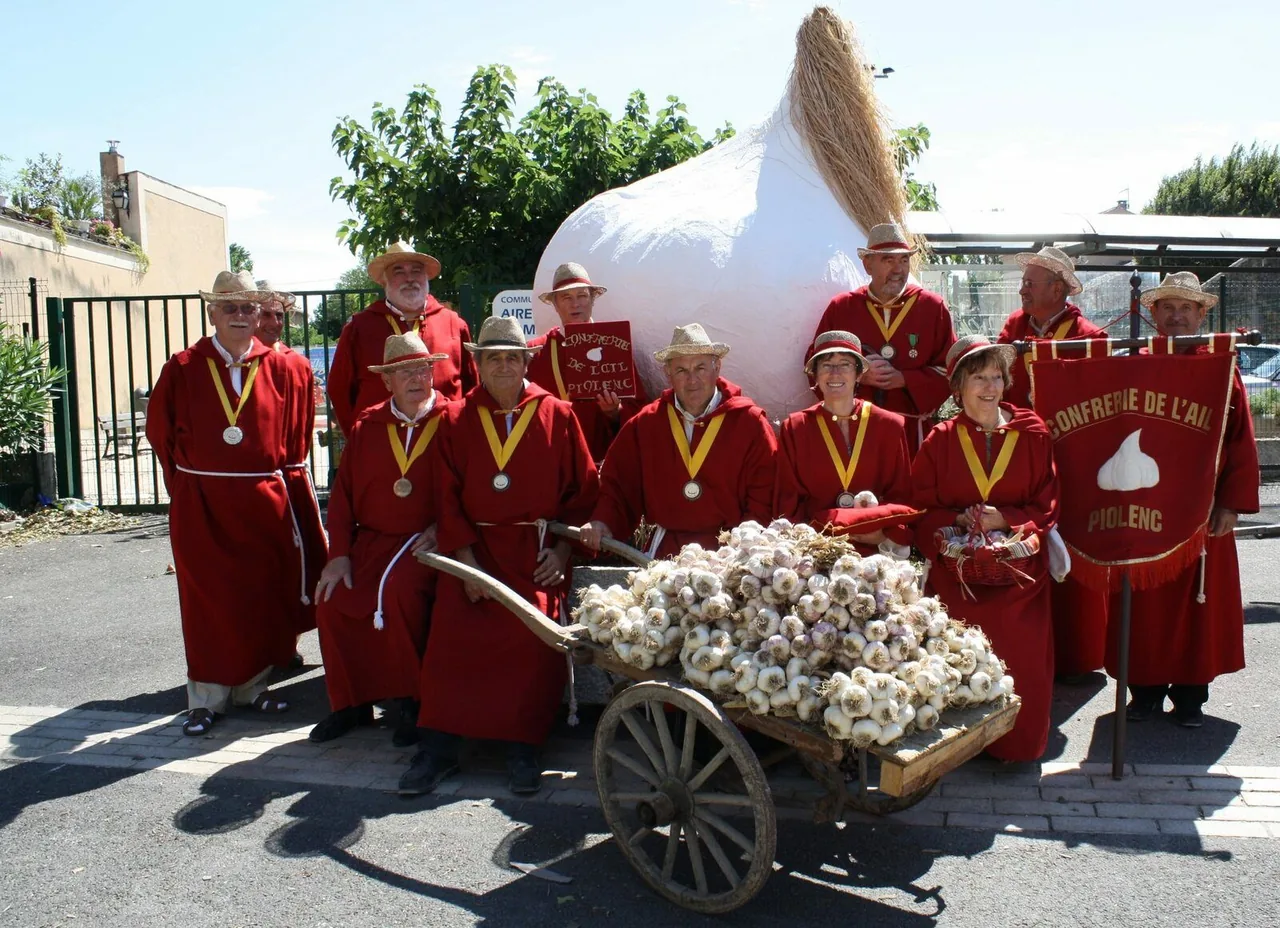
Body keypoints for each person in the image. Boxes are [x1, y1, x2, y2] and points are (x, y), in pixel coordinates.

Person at [400, 317, 599, 796]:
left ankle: (522, 749)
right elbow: (444, 498)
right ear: (478, 364)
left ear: (527, 361)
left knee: (532, 642)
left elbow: (584, 491)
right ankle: (438, 749)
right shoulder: (453, 418)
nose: (504, 365)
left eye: (512, 356)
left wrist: (559, 549)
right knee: (451, 642)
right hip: (474, 554)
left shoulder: (558, 414)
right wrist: (466, 564)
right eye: (493, 358)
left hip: (534, 556)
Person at [146, 271, 321, 736]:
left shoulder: (282, 367)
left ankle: (253, 688)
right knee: (206, 598)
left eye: (249, 308)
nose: (242, 316)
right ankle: (206, 698)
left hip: (262, 498)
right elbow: (160, 435)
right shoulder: (182, 367)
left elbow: (294, 436)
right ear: (212, 313)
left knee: (257, 593)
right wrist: (186, 487)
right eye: (231, 307)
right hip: (202, 497)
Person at [1109, 272, 1258, 728]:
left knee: (1200, 606)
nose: (1176, 316)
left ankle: (1192, 697)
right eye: (1167, 308)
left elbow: (1239, 440)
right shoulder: (1133, 363)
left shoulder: (1222, 368)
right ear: (1153, 315)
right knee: (1147, 605)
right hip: (1145, 508)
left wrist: (1229, 504)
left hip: (1202, 511)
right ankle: (1146, 694)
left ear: (1202, 314)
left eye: (1186, 309)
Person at [911, 335, 1059, 762]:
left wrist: (1007, 520)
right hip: (960, 579)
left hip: (1020, 576)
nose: (991, 387)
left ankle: (1017, 745)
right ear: (958, 386)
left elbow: (1048, 500)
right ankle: (961, 747)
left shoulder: (1032, 431)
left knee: (1024, 661)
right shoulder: (939, 440)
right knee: (957, 662)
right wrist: (957, 521)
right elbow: (921, 505)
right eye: (979, 378)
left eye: (997, 376)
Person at [310, 333, 450, 746]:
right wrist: (338, 555)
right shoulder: (368, 424)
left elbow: (469, 486)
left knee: (401, 596)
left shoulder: (453, 419)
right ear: (387, 380)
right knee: (332, 600)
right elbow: (343, 497)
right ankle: (350, 705)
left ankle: (412, 702)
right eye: (405, 371)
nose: (416, 378)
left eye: (423, 369)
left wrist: (444, 529)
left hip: (426, 545)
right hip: (370, 544)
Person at [998, 246, 1109, 679]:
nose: (1022, 290)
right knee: (1028, 544)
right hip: (1022, 457)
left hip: (1074, 461)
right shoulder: (1013, 328)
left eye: (1030, 283)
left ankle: (1079, 656)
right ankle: (1034, 648)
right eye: (1024, 283)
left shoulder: (1090, 337)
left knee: (1076, 550)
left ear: (1057, 289)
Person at [579, 324, 777, 559]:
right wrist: (603, 521)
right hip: (667, 553)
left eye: (700, 367)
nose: (692, 379)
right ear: (668, 374)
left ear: (717, 368)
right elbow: (619, 484)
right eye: (681, 370)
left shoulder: (749, 423)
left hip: (730, 553)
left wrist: (744, 550)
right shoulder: (648, 423)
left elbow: (765, 493)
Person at [812, 222, 956, 456]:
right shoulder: (842, 308)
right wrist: (859, 376)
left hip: (911, 436)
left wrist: (905, 379)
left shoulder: (932, 308)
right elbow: (814, 365)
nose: (898, 269)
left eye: (904, 260)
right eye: (889, 260)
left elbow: (952, 369)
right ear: (867, 264)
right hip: (852, 430)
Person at [775, 330, 912, 553]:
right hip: (814, 549)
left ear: (859, 374)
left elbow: (901, 495)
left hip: (874, 549)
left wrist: (883, 535)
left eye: (845, 364)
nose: (835, 373)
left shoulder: (889, 425)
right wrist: (806, 546)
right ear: (816, 375)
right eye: (827, 365)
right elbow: (788, 500)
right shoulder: (796, 428)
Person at [326, 242, 477, 436]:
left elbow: (472, 386)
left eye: (416, 271)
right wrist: (359, 437)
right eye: (399, 272)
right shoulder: (360, 327)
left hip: (445, 444)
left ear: (426, 278)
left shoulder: (454, 324)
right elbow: (339, 389)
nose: (410, 279)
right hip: (381, 447)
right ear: (384, 281)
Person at [255, 281, 325, 662]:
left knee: (298, 566)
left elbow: (305, 423)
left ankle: (290, 644)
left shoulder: (296, 364)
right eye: (264, 314)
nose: (272, 322)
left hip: (291, 476)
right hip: (255, 480)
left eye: (278, 315)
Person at [528, 262, 648, 461]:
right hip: (554, 465)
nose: (575, 304)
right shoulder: (537, 351)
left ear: (593, 300)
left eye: (582, 296)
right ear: (555, 305)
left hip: (604, 465)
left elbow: (640, 413)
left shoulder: (615, 345)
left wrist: (615, 413)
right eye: (566, 297)